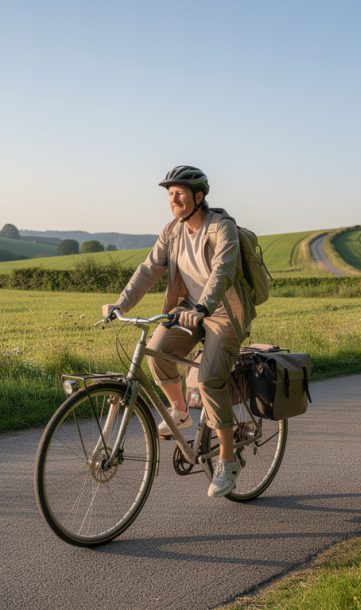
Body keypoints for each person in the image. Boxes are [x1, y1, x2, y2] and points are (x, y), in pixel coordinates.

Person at [102, 165, 257, 497]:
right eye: (170, 194)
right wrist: (121, 305)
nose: (173, 200)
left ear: (198, 197)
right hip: (188, 311)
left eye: (180, 194)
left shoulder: (221, 228)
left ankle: (228, 461)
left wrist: (204, 308)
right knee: (158, 354)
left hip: (223, 314)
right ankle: (181, 413)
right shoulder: (172, 231)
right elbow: (149, 269)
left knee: (208, 380)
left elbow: (223, 272)